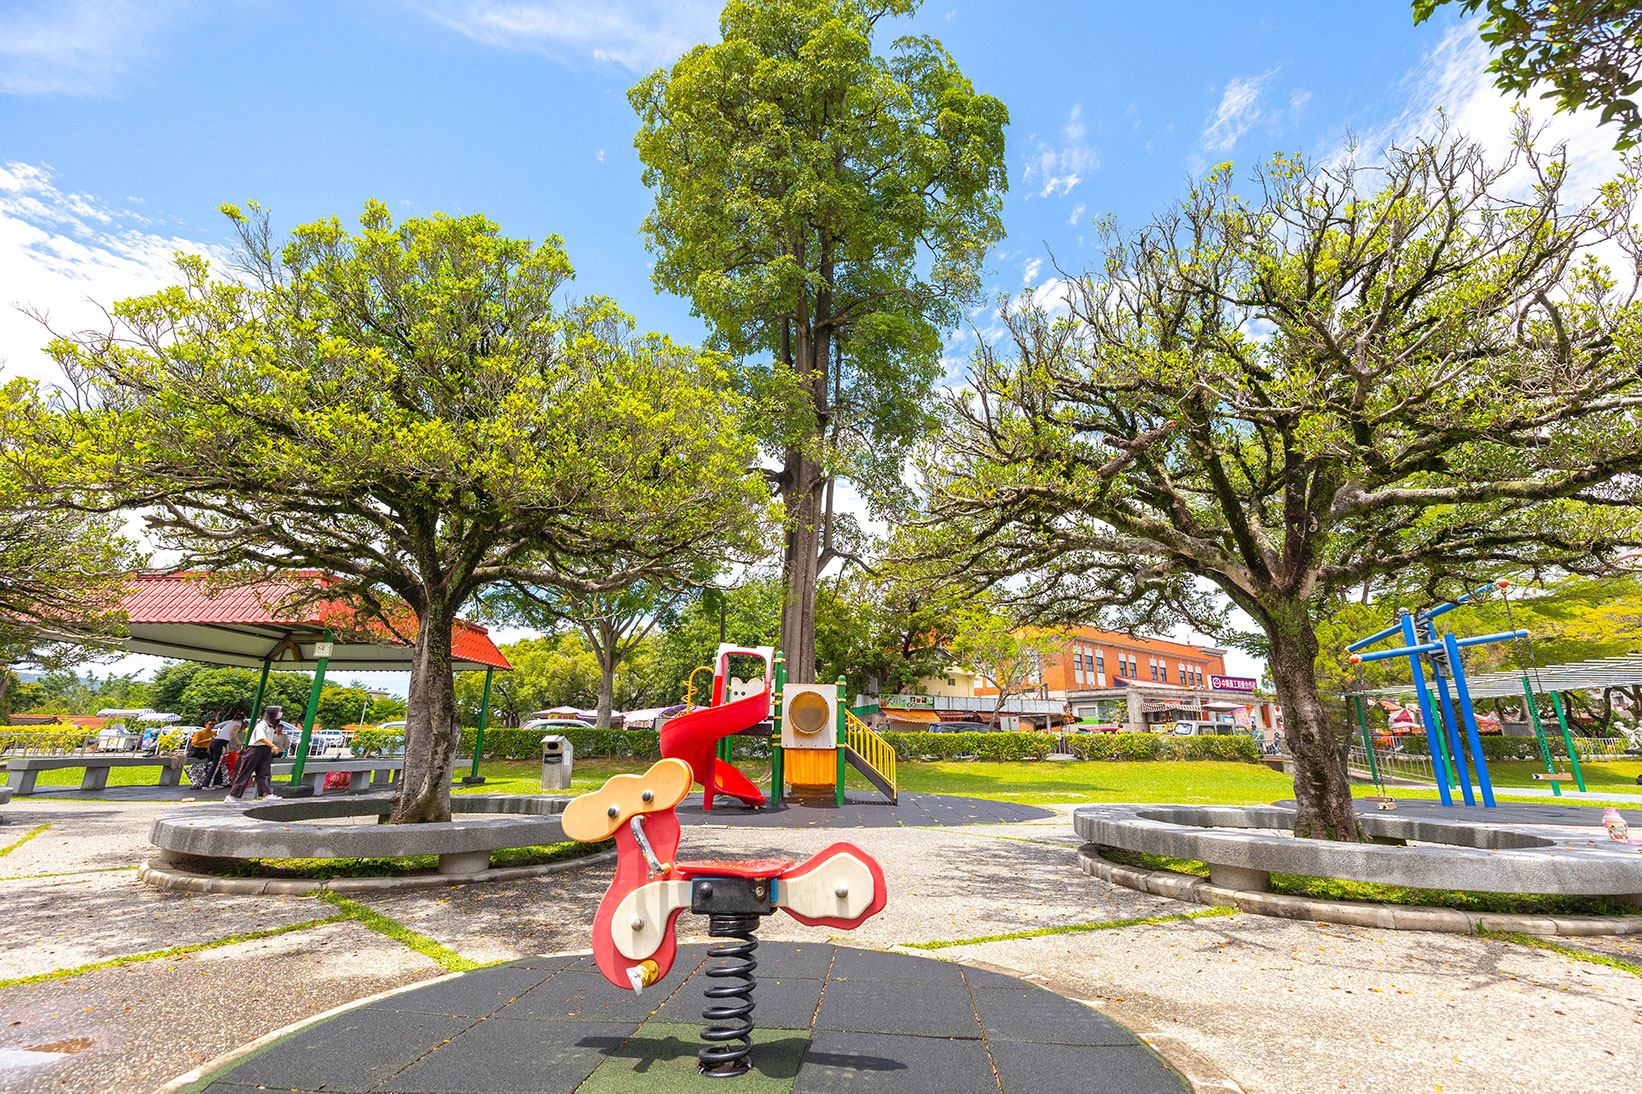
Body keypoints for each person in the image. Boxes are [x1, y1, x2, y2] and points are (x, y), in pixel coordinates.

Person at [225, 705, 290, 803]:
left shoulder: (270, 726)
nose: (279, 715)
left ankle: (266, 794)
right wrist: (273, 746)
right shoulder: (262, 724)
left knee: (264, 772)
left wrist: (270, 747)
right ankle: (232, 796)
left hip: (265, 750)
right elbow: (261, 738)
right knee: (246, 773)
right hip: (256, 749)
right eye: (278, 713)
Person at [203, 710, 244, 789]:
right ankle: (207, 784)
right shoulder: (238, 723)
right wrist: (239, 742)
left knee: (217, 763)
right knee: (216, 764)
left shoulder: (229, 723)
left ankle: (217, 782)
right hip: (220, 743)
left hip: (215, 742)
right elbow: (233, 732)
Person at [186, 721, 217, 788]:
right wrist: (207, 740)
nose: (212, 726)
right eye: (210, 724)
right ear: (206, 725)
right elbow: (194, 743)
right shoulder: (199, 733)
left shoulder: (214, 733)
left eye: (213, 724)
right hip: (198, 751)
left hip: (208, 751)